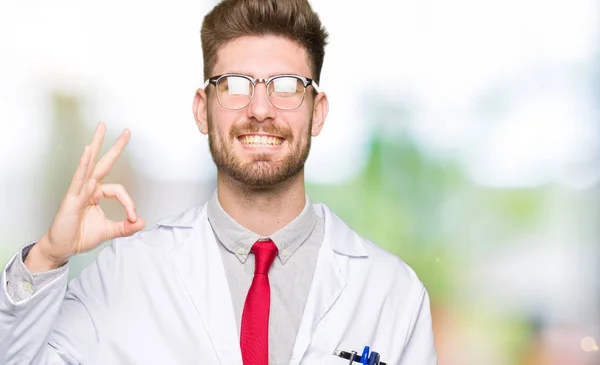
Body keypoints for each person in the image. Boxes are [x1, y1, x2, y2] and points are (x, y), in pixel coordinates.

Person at [0, 0, 437, 364]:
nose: (260, 109)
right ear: (201, 109)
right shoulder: (126, 276)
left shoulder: (391, 292)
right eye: (235, 85)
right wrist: (48, 256)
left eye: (286, 86)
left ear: (317, 111)